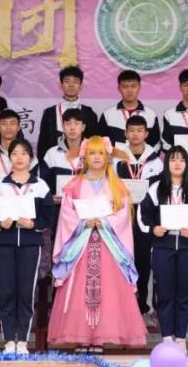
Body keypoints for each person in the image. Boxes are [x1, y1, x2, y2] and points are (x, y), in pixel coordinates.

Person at [49, 137, 147, 353]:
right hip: (81, 245)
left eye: (101, 153)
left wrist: (104, 222)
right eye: (92, 153)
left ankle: (100, 338)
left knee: (107, 291)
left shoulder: (116, 185)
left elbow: (123, 215)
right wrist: (83, 223)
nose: (96, 158)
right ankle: (81, 337)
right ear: (85, 157)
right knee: (80, 290)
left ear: (107, 157)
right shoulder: (74, 185)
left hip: (107, 244)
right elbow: (66, 214)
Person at [139, 146, 188, 351]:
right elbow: (143, 214)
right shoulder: (156, 189)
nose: (177, 163)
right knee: (164, 293)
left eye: (181, 160)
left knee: (185, 294)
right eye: (173, 160)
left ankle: (181, 338)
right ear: (167, 164)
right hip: (162, 247)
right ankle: (166, 338)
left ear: (187, 164)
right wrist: (153, 229)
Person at [0, 139, 55, 355]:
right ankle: (8, 340)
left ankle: (22, 339)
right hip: (4, 244)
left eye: (24, 153)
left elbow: (49, 216)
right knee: (6, 291)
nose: (19, 157)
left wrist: (34, 224)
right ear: (10, 157)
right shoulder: (0, 186)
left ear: (31, 158)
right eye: (15, 153)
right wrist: (0, 224)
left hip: (30, 244)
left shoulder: (40, 186)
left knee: (26, 292)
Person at [0, 109, 37, 328]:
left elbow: (35, 188)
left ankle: (23, 318)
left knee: (24, 273)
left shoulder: (32, 159)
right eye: (4, 123)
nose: (9, 127)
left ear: (19, 126)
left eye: (13, 123)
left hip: (24, 222)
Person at [112, 115, 164, 325]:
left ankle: (144, 309)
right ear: (125, 134)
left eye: (139, 130)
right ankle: (121, 309)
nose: (135, 134)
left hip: (146, 218)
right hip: (121, 217)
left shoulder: (156, 162)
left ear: (146, 133)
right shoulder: (116, 159)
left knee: (144, 263)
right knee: (121, 261)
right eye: (131, 131)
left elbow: (159, 192)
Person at [36, 66, 99, 161]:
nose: (71, 85)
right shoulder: (49, 113)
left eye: (75, 82)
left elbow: (94, 142)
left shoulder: (89, 113)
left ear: (81, 86)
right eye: (67, 81)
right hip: (55, 163)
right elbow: (42, 144)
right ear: (61, 85)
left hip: (82, 163)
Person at [99, 70, 160, 153]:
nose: (129, 90)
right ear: (119, 88)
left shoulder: (151, 115)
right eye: (125, 87)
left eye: (133, 86)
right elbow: (101, 144)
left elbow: (155, 145)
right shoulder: (107, 115)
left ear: (139, 87)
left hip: (144, 160)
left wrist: (142, 158)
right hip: (115, 160)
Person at [43, 108, 87, 198]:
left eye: (76, 123)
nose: (72, 128)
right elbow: (43, 184)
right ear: (63, 127)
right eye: (68, 123)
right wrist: (51, 198)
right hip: (59, 204)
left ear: (83, 127)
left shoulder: (93, 152)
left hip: (86, 203)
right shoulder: (51, 154)